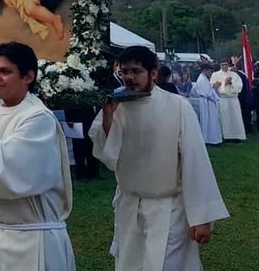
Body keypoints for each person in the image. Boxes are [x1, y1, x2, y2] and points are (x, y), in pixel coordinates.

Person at [90, 46, 229, 271]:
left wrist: (201, 217)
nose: (129, 77)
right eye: (124, 72)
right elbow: (107, 153)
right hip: (130, 206)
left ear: (153, 73)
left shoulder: (178, 107)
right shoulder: (118, 106)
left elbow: (195, 161)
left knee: (165, 264)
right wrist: (108, 114)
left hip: (168, 208)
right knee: (130, 263)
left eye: (136, 71)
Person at [0, 42, 75, 271]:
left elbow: (4, 172)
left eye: (5, 71)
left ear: (28, 76)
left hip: (32, 241)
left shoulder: (37, 118)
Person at [211, 60, 245, 142]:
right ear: (220, 65)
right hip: (223, 99)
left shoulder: (234, 75)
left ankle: (237, 135)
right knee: (225, 118)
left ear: (228, 65)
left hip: (233, 99)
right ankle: (226, 136)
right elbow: (213, 87)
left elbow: (239, 86)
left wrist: (231, 83)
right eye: (222, 65)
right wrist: (224, 84)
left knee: (235, 118)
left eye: (226, 65)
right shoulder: (215, 75)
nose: (224, 67)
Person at [189, 63, 223, 145]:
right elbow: (207, 93)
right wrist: (214, 87)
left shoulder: (204, 79)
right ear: (205, 70)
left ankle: (212, 139)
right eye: (210, 71)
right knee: (208, 121)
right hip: (206, 103)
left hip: (208, 103)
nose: (210, 73)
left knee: (211, 121)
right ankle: (209, 139)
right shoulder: (202, 79)